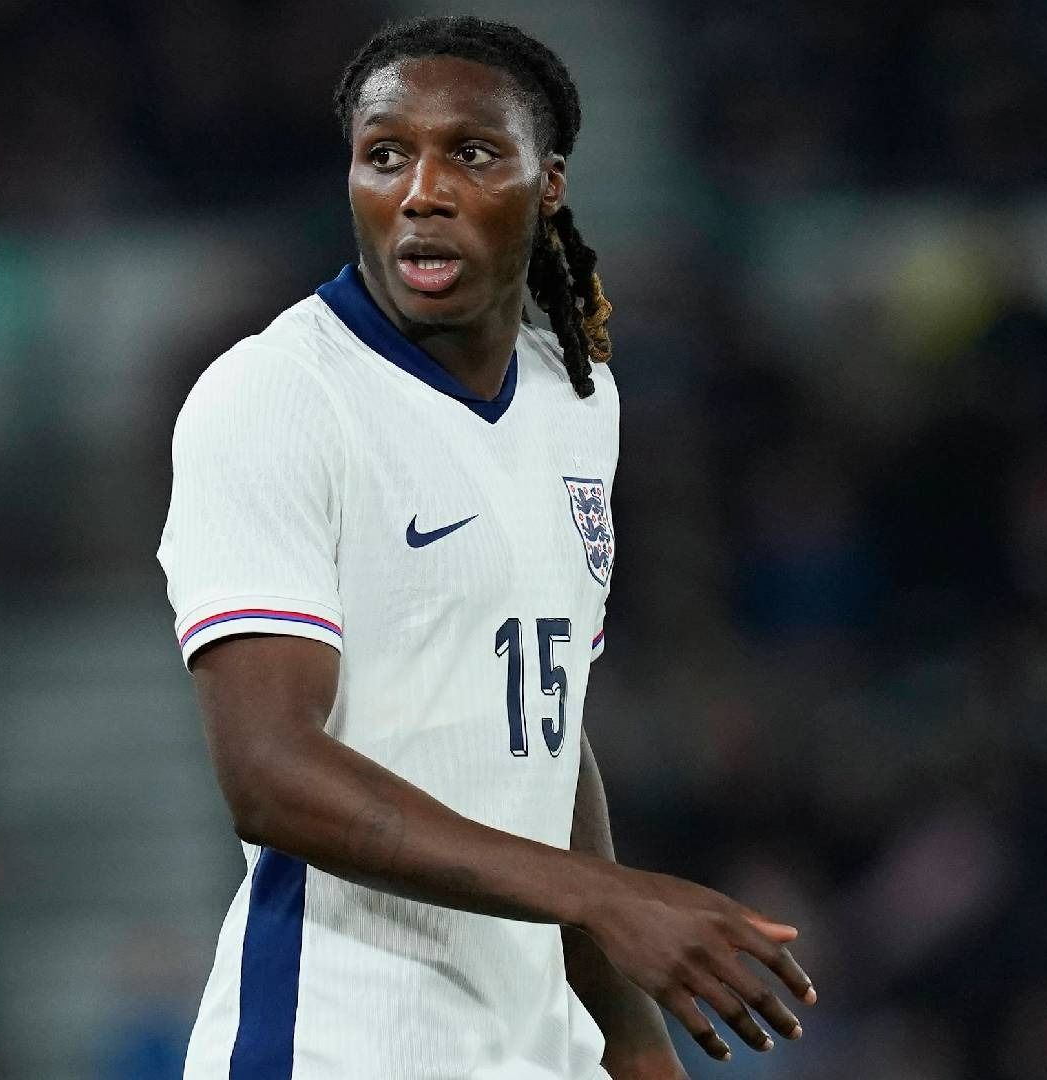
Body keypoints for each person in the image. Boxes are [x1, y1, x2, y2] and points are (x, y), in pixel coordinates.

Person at [157, 15, 815, 1079]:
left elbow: (548, 741)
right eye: (385, 156)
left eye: (470, 152)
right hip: (334, 1046)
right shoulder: (274, 397)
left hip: (533, 1050)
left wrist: (632, 1044)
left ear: (546, 185)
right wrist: (606, 898)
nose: (422, 190)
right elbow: (269, 771)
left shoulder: (576, 400)